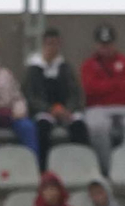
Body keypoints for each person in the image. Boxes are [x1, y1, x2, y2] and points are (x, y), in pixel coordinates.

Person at [80, 24, 125, 172]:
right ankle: (107, 168)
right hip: (97, 107)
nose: (106, 48)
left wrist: (106, 86)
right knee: (97, 125)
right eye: (102, 44)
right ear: (96, 45)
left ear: (114, 44)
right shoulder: (89, 65)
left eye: (108, 44)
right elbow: (90, 89)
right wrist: (117, 84)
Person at [25, 27, 91, 169]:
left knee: (79, 126)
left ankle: (81, 165)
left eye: (55, 44)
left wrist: (68, 109)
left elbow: (75, 93)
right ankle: (43, 167)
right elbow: (30, 96)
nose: (52, 48)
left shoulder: (65, 68)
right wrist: (49, 109)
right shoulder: (34, 69)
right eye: (49, 44)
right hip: (45, 111)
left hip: (66, 110)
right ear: (43, 45)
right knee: (42, 128)